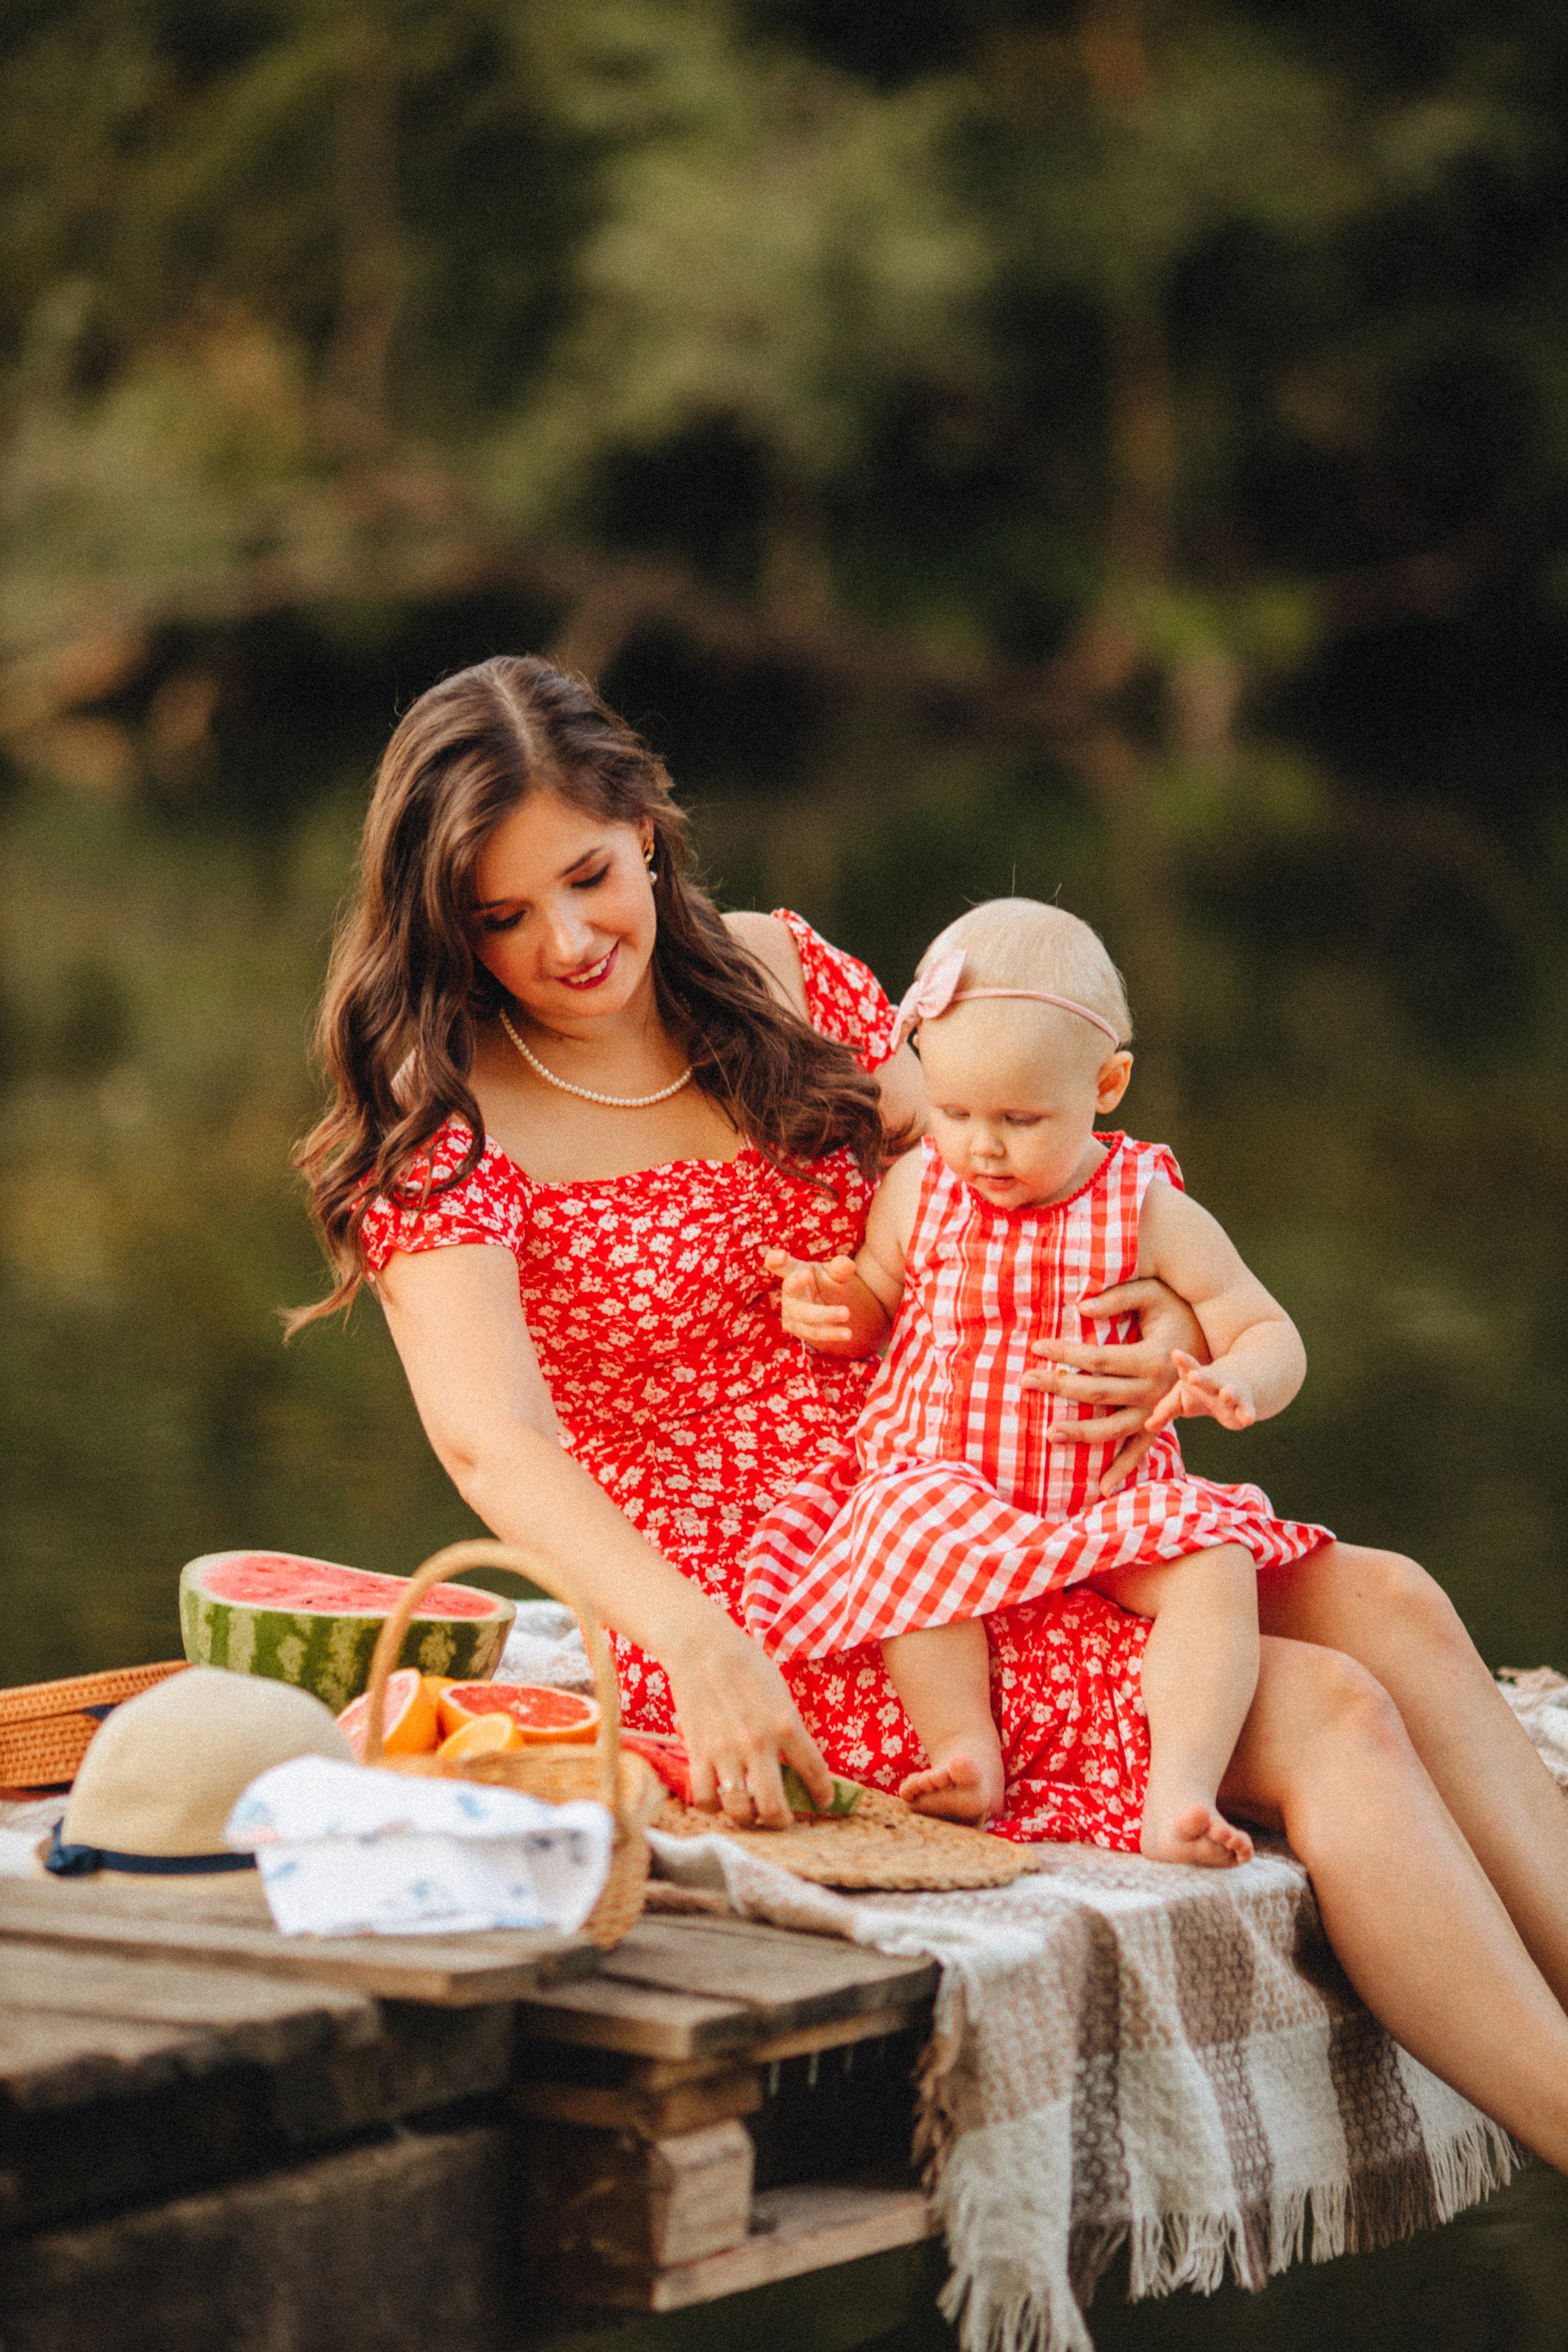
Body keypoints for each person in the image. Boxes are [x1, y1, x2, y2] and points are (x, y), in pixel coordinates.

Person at [293, 652, 1568, 2173]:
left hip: (968, 1475)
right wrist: (696, 1645)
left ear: (643, 824)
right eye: (501, 917)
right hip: (776, 1601)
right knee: (1333, 1719)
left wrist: (1166, 1318)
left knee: (1394, 1605)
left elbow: (1007, 1165)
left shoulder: (774, 972)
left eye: (586, 878)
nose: (566, 942)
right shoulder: (443, 1114)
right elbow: (490, 1440)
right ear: (445, 924)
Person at [745, 899, 1329, 1863]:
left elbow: (1268, 1329)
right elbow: (878, 1301)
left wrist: (1237, 1381)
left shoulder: (1145, 1207)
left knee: (1216, 1564)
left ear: (1106, 1085)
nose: (983, 1147)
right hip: (948, 1486)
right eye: (956, 1113)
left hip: (1096, 1496)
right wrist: (838, 1306)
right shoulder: (919, 1188)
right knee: (902, 1531)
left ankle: (1180, 1792)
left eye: (1021, 1120)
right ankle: (964, 1750)